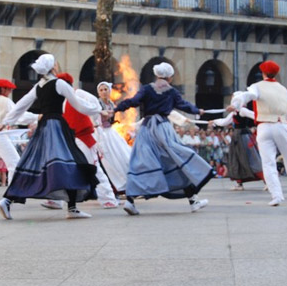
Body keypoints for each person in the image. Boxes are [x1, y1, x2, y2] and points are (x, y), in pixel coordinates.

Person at [0, 54, 102, 220]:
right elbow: (78, 104)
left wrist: (5, 122)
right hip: (57, 126)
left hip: (44, 126)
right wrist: (98, 109)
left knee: (33, 163)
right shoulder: (59, 83)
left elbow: (21, 104)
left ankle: (7, 199)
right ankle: (72, 208)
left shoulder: (39, 85)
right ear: (53, 67)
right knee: (72, 162)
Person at [112, 62, 212, 215]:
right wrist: (198, 110)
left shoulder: (146, 89)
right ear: (169, 77)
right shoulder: (171, 91)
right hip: (163, 128)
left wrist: (116, 108)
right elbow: (183, 105)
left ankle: (130, 201)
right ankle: (193, 201)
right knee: (176, 161)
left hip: (146, 129)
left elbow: (132, 101)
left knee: (140, 162)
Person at [40, 73, 119, 210]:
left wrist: (96, 119)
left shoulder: (79, 93)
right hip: (67, 138)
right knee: (62, 168)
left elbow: (93, 103)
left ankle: (108, 198)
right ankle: (57, 200)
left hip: (84, 136)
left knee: (93, 167)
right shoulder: (59, 100)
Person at [234, 60, 287, 206]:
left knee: (268, 163)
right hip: (281, 124)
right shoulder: (283, 89)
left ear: (263, 73)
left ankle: (276, 195)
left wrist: (237, 102)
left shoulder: (257, 86)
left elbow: (249, 95)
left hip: (263, 126)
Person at [0, 79, 38, 186]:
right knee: (14, 163)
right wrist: (37, 117)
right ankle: (11, 192)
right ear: (3, 89)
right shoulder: (5, 101)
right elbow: (18, 115)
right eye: (9, 90)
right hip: (0, 135)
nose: (10, 92)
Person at [210, 102, 263, 191]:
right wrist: (214, 121)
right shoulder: (234, 113)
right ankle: (239, 183)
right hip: (237, 137)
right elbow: (224, 122)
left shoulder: (242, 110)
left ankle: (266, 181)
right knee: (236, 159)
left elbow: (254, 116)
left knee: (252, 158)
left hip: (243, 136)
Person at [94, 81, 132, 194]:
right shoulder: (97, 103)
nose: (104, 92)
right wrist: (102, 113)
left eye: (105, 89)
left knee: (122, 154)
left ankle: (127, 182)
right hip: (100, 132)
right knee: (107, 158)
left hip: (110, 131)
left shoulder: (111, 104)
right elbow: (94, 113)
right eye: (101, 90)